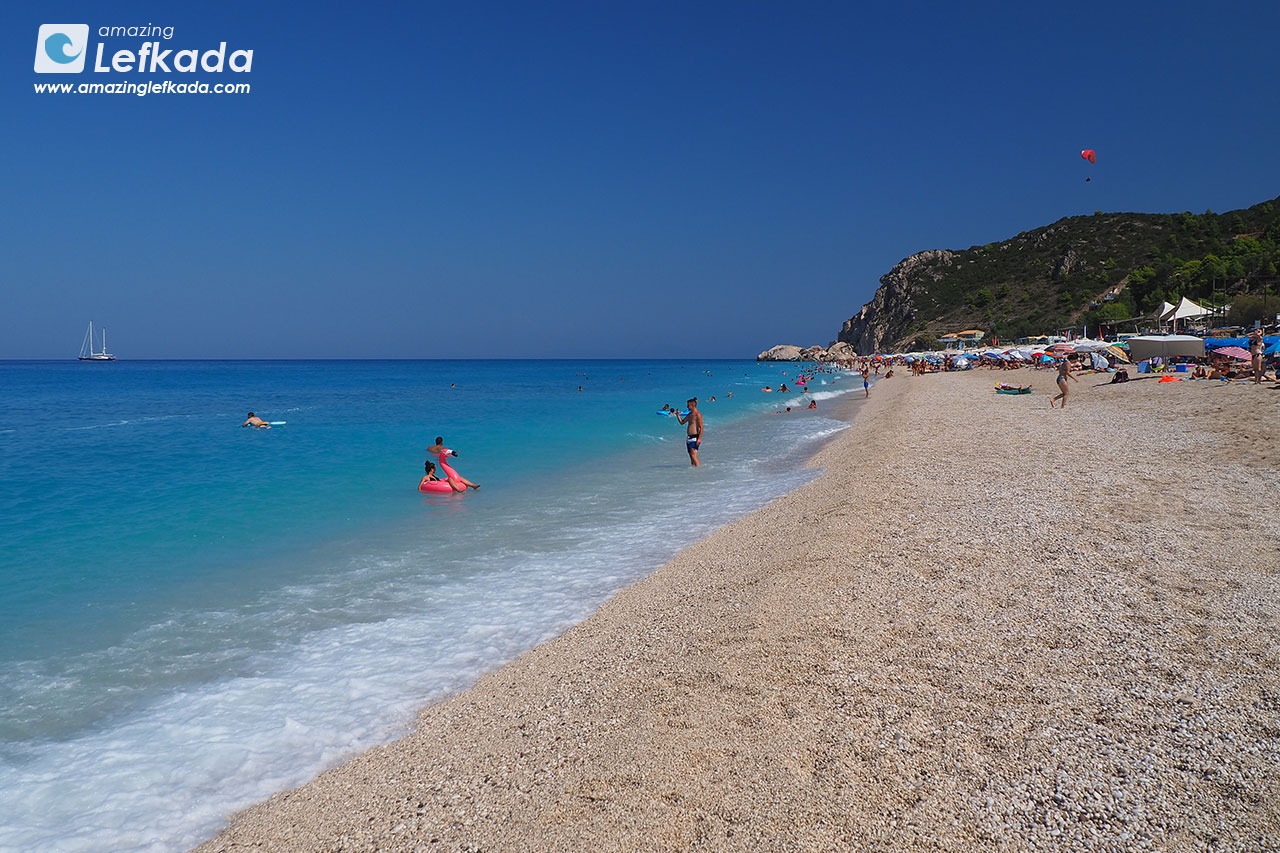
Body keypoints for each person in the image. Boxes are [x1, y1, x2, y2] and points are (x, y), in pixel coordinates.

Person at [675, 397, 702, 467]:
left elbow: (701, 427)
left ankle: (700, 470)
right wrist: (678, 415)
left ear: (692, 405)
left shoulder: (698, 415)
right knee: (691, 456)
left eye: (688, 405)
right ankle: (694, 472)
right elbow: (682, 422)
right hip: (689, 438)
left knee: (693, 455)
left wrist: (699, 438)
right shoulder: (689, 415)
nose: (687, 407)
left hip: (695, 437)